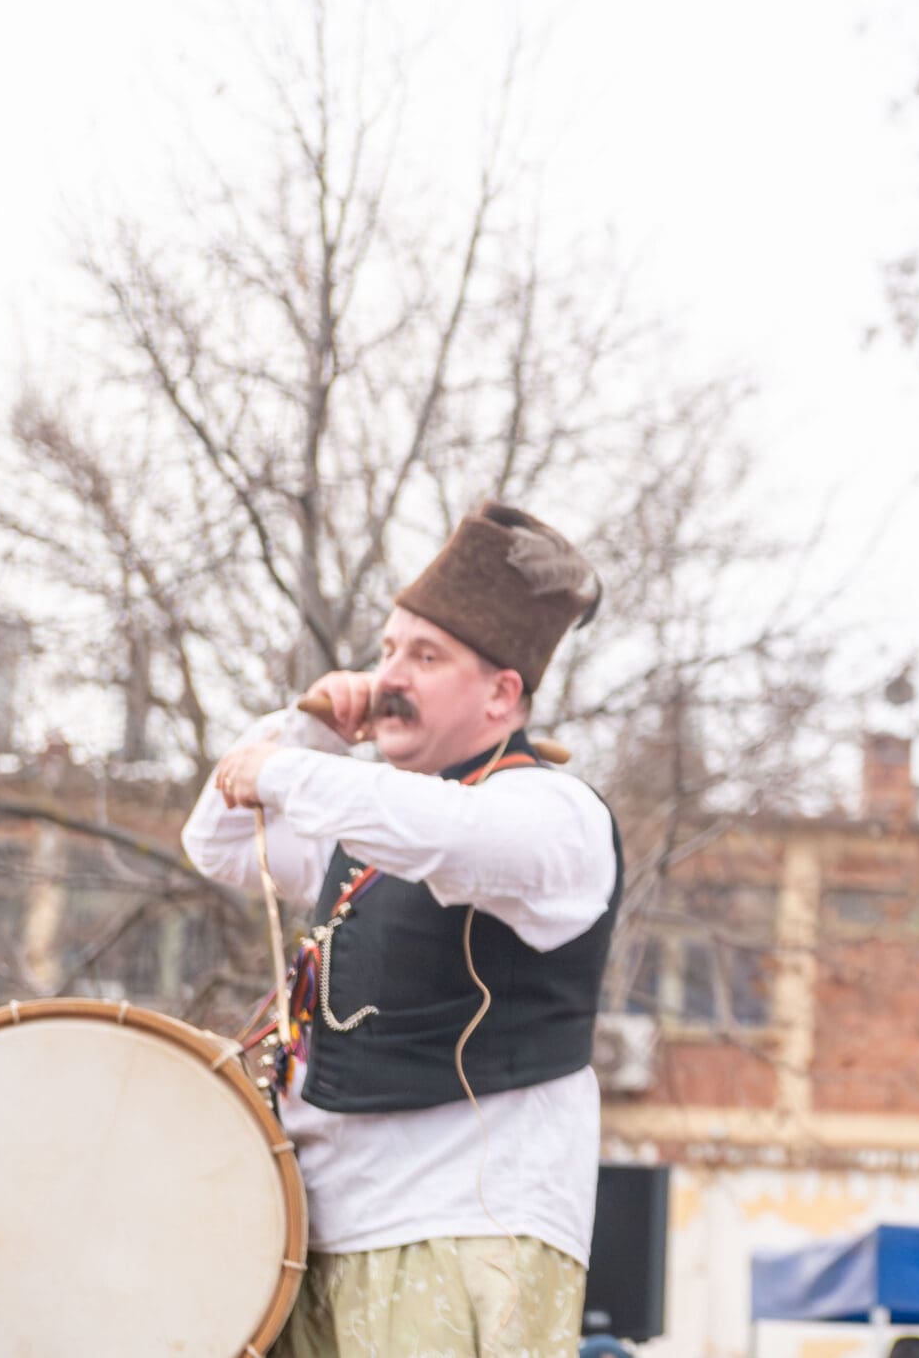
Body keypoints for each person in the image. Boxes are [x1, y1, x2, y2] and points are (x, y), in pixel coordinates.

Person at [186, 500, 616, 1357]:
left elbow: (447, 830)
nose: (389, 677)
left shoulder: (555, 813)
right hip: (318, 1229)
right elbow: (218, 840)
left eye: (425, 656)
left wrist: (292, 768)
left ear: (502, 693)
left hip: (466, 1226)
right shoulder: (368, 821)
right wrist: (309, 727)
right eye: (386, 651)